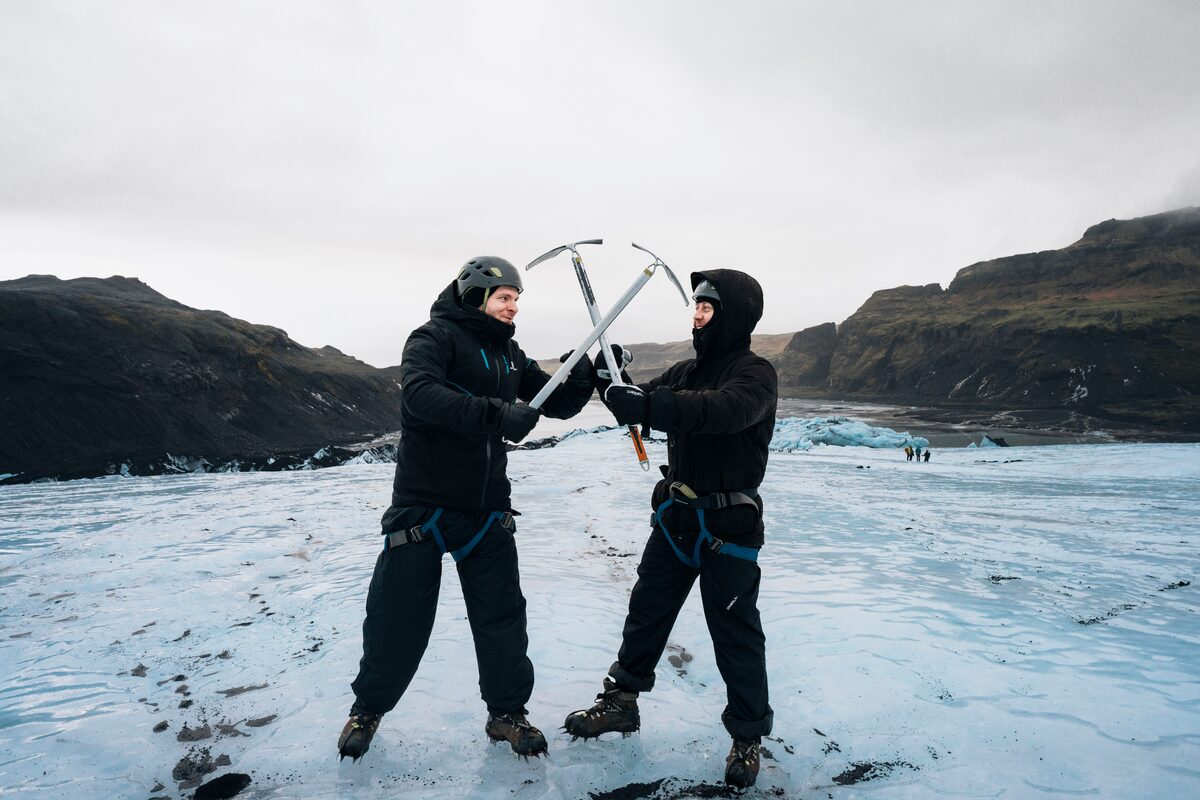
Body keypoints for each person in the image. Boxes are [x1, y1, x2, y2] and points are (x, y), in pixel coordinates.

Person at [338, 256, 594, 762]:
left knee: (502, 618)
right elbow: (421, 397)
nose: (512, 308)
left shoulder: (509, 353)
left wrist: (586, 371)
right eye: (504, 298)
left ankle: (507, 715)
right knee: (398, 618)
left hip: (486, 510)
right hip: (423, 507)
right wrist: (496, 413)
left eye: (517, 300)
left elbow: (555, 402)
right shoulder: (433, 339)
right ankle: (367, 710)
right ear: (476, 294)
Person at [562, 270, 777, 789]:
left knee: (735, 633)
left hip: (729, 527)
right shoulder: (683, 371)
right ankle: (621, 702)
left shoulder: (755, 374)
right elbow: (633, 403)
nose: (698, 314)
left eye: (708, 307)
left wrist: (650, 405)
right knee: (647, 613)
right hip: (677, 522)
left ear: (734, 315)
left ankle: (747, 737)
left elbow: (721, 412)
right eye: (696, 306)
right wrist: (605, 378)